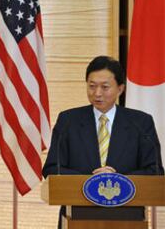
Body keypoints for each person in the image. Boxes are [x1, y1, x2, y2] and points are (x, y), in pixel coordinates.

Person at [42, 55, 164, 227]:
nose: (97, 93)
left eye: (105, 87)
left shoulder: (140, 123)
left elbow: (155, 172)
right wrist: (93, 181)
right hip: (76, 216)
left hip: (129, 218)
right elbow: (52, 168)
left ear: (120, 89)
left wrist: (118, 179)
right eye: (92, 86)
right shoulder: (68, 121)